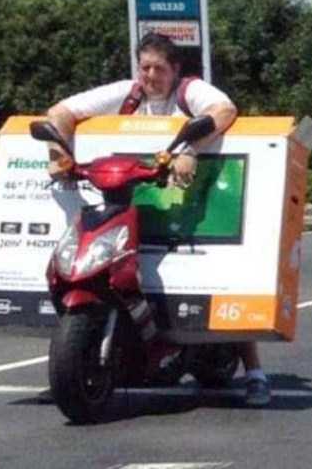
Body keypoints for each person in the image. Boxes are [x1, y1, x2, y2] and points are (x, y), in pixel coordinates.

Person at [43, 32, 271, 407]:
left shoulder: (189, 91)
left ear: (175, 69)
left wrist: (190, 150)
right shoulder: (129, 94)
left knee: (222, 276)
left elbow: (224, 110)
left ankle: (255, 373)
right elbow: (59, 113)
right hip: (135, 196)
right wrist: (59, 154)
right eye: (145, 67)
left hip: (193, 194)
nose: (150, 76)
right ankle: (95, 357)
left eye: (159, 69)